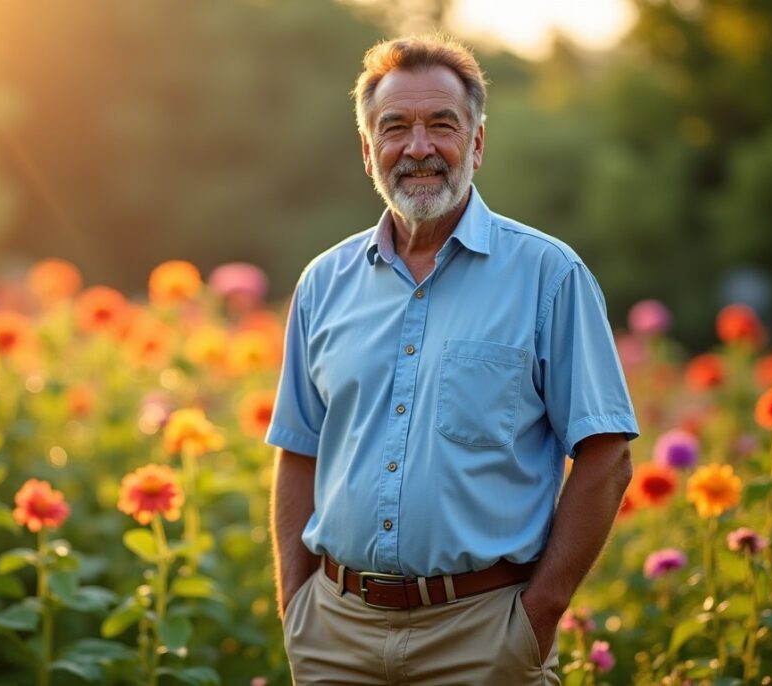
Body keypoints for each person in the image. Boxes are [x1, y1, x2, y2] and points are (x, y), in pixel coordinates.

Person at [267, 35, 639, 685]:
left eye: (442, 125)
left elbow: (606, 456)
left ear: (477, 143)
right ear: (366, 150)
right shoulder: (323, 283)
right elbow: (298, 450)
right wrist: (296, 610)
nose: (418, 148)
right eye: (395, 128)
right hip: (334, 636)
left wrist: (538, 618)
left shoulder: (549, 275)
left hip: (484, 638)